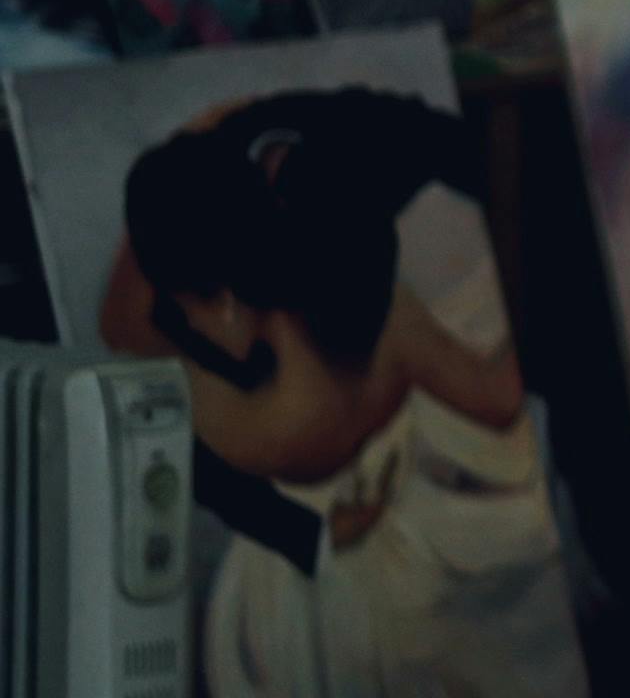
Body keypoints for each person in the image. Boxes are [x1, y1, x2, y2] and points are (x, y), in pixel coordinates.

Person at [100, 84, 587, 696]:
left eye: (189, 306)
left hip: (329, 570)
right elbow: (498, 398)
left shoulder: (247, 424)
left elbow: (122, 331)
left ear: (223, 301)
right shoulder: (396, 327)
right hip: (398, 529)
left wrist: (316, 537)